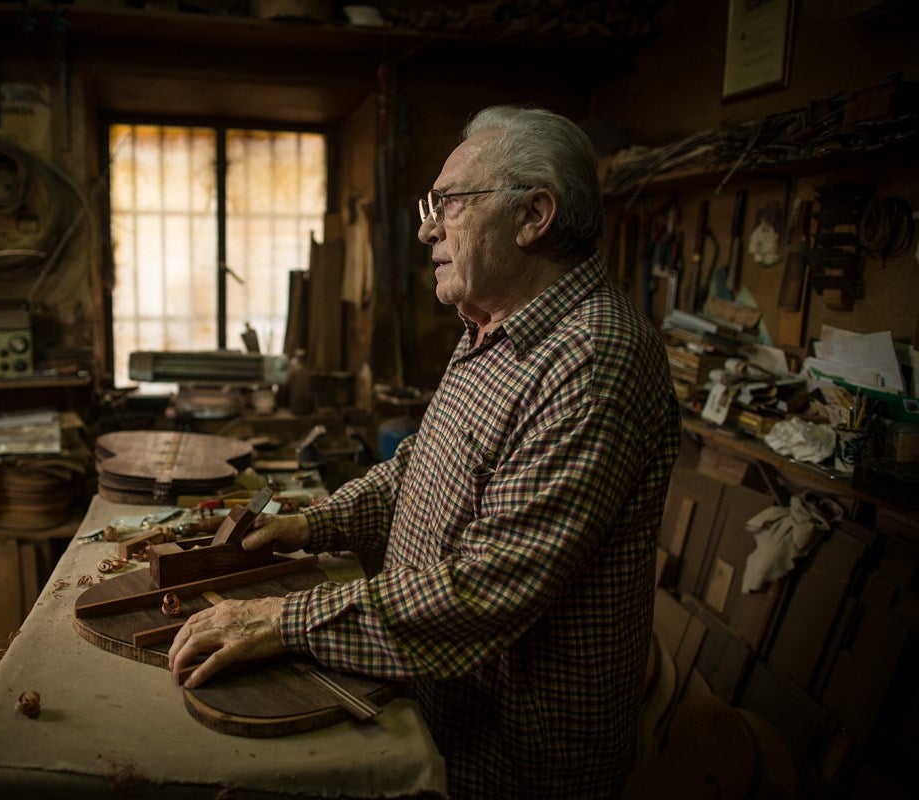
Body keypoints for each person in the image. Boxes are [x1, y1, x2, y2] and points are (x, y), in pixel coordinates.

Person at [168, 105, 681, 799]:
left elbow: (487, 585)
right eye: (427, 205)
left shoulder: (594, 358)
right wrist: (311, 524)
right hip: (442, 702)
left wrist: (283, 619)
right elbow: (422, 466)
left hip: (521, 752)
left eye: (449, 204)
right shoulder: (491, 330)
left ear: (533, 216)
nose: (425, 227)